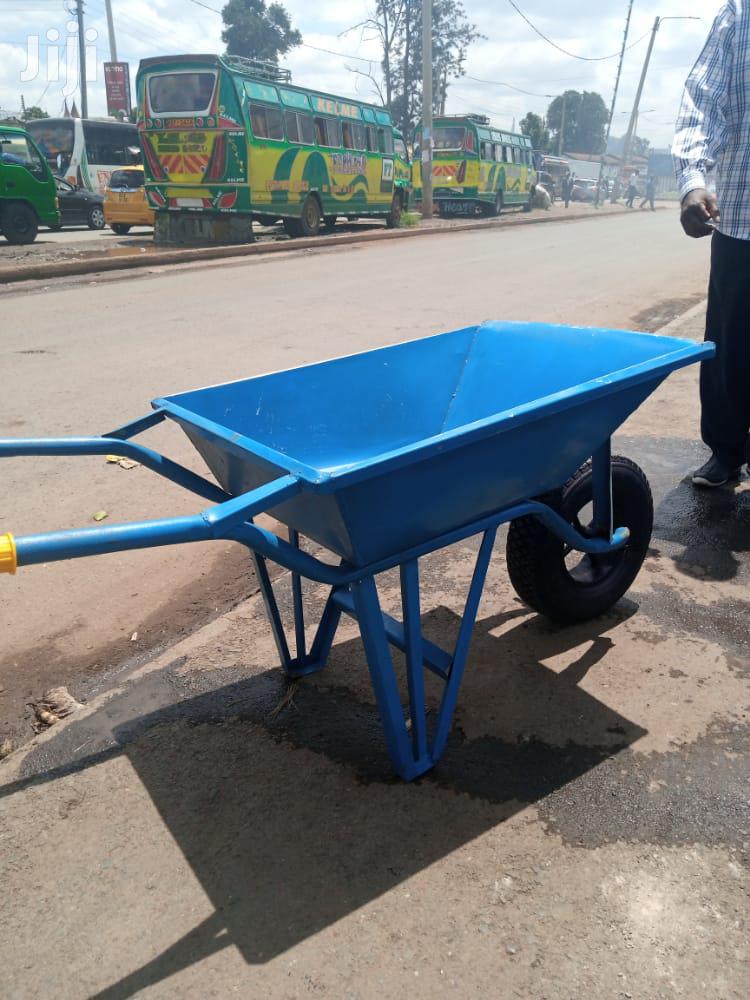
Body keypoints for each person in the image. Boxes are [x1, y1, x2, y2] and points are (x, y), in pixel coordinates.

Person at [673, 2, 750, 487]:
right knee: (729, 347)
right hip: (741, 219)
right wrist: (691, 180)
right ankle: (725, 452)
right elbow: (704, 99)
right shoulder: (740, 14)